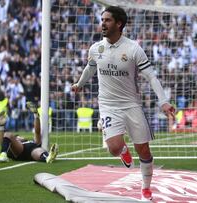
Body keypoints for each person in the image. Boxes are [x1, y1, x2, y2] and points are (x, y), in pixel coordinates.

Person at [71, 6, 175, 201]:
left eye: (107, 20)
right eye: (102, 20)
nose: (103, 23)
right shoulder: (96, 48)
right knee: (113, 147)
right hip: (108, 105)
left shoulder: (133, 49)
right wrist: (79, 84)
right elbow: (90, 68)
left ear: (119, 24)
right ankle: (123, 151)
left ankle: (145, 189)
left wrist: (164, 102)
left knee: (144, 150)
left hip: (131, 105)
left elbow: (151, 77)